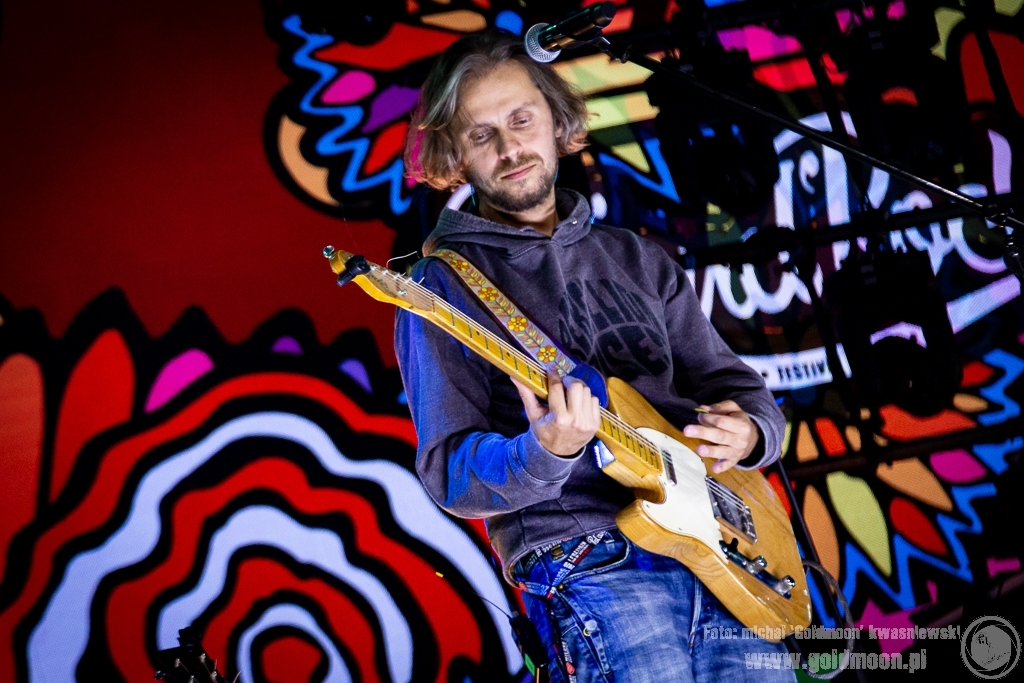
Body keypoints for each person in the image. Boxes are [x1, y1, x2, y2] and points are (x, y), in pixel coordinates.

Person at [396, 29, 795, 683]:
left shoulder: (636, 257)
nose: (509, 148)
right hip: (587, 560)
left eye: (521, 119)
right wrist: (544, 450)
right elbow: (450, 474)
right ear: (455, 155)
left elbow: (736, 386)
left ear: (557, 120)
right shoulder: (442, 288)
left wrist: (751, 432)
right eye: (481, 135)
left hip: (722, 555)